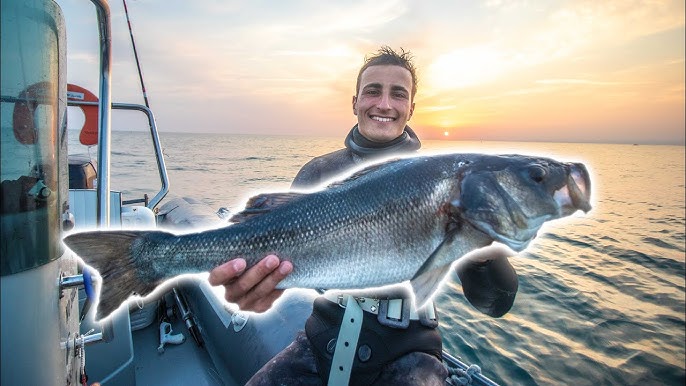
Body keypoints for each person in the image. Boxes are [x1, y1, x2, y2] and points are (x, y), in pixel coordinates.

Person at [208, 47, 518, 385]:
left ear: (410, 108)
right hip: (322, 337)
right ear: (355, 101)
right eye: (373, 90)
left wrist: (484, 257)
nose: (384, 104)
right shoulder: (317, 173)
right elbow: (278, 262)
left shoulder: (443, 185)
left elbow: (495, 303)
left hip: (411, 350)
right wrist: (254, 286)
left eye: (398, 94)